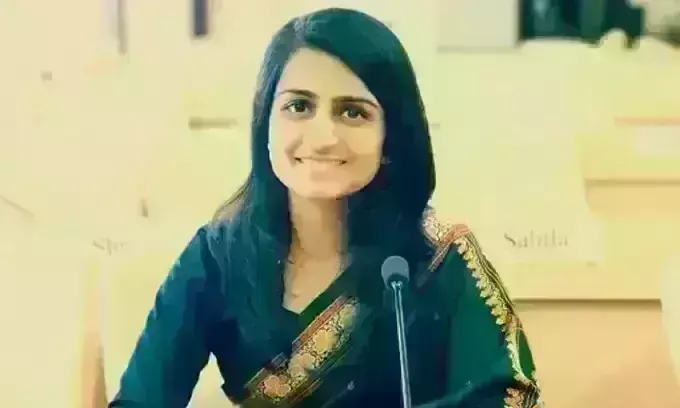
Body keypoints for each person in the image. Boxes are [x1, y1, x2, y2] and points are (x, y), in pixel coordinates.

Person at [109, 8, 543, 408]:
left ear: (391, 136)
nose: (322, 138)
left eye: (353, 113)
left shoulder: (438, 257)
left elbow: (507, 397)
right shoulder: (217, 257)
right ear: (265, 123)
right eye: (299, 106)